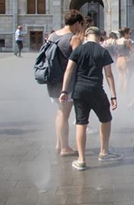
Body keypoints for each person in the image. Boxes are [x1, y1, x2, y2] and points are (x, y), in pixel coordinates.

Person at [59, 27, 120, 171]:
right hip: (96, 90)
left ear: (86, 37)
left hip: (79, 90)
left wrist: (64, 91)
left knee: (81, 123)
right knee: (105, 119)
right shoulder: (102, 51)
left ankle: (81, 160)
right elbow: (109, 75)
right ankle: (104, 152)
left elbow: (68, 70)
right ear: (99, 37)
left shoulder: (78, 50)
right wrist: (113, 95)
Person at [48, 10, 84, 157]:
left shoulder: (53, 35)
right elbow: (78, 60)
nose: (80, 28)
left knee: (59, 113)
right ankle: (65, 148)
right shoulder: (73, 38)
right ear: (76, 23)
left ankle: (59, 144)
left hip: (52, 79)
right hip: (66, 82)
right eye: (80, 25)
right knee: (64, 115)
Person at [116, 27, 134, 95]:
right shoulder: (128, 41)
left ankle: (119, 95)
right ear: (126, 34)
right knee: (126, 80)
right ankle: (125, 96)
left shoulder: (117, 40)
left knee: (120, 80)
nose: (130, 35)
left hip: (119, 59)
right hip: (126, 59)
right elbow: (133, 50)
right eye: (129, 33)